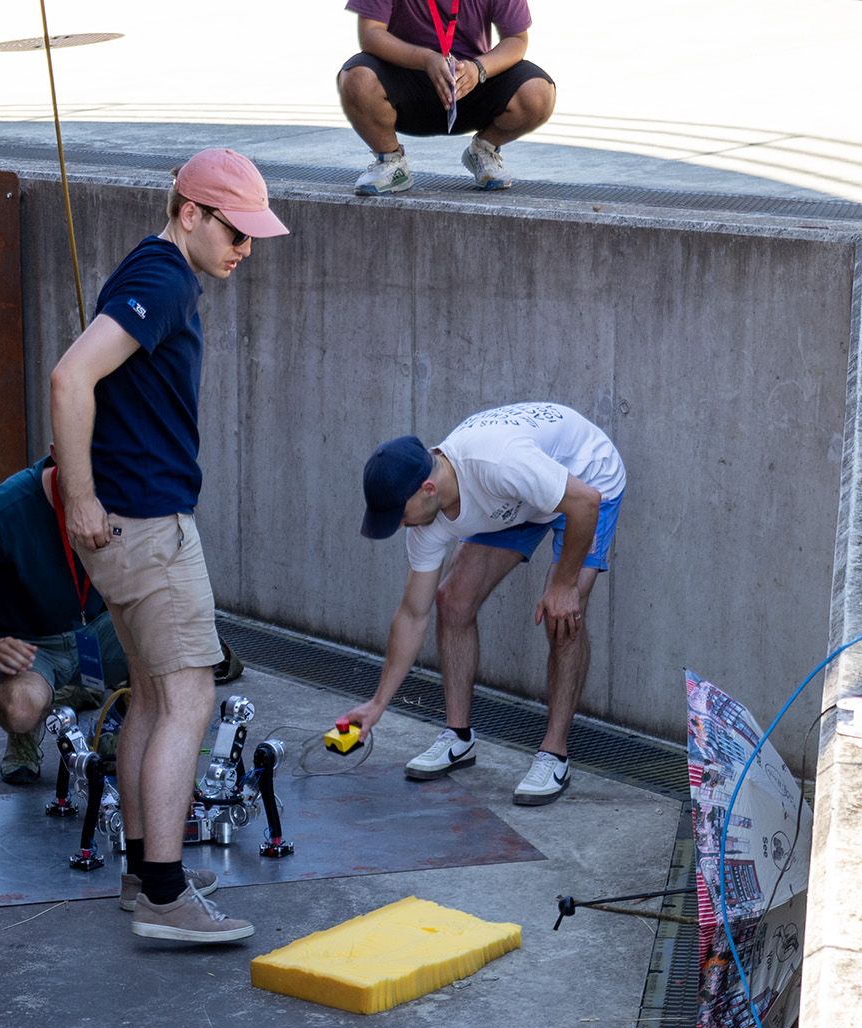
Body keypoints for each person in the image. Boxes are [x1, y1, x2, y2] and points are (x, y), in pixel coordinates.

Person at [51, 148, 288, 942]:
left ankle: (143, 874)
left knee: (153, 699)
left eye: (253, 235)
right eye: (236, 232)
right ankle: (163, 895)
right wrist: (79, 494)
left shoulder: (153, 271)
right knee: (190, 699)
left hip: (128, 525)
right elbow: (70, 378)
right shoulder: (165, 280)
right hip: (149, 527)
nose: (245, 248)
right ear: (191, 213)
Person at [338, 402, 626, 805]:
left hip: (585, 481)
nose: (400, 525)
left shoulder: (497, 462)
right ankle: (458, 737)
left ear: (428, 489)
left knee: (562, 614)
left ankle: (554, 753)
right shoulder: (428, 515)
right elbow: (413, 614)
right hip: (519, 497)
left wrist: (563, 585)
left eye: (399, 516)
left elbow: (585, 502)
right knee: (452, 600)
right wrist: (378, 703)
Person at [0, 456, 130, 785]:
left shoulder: (126, 492)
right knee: (20, 709)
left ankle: (116, 722)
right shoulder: (5, 508)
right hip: (31, 645)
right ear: (57, 450)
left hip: (97, 630)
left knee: (176, 645)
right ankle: (27, 729)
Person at [336, 0, 556, 195]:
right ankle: (390, 161)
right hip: (405, 79)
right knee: (356, 79)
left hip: (470, 81)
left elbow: (516, 39)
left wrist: (479, 68)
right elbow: (371, 33)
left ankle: (484, 149)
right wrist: (425, 59)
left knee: (538, 93)